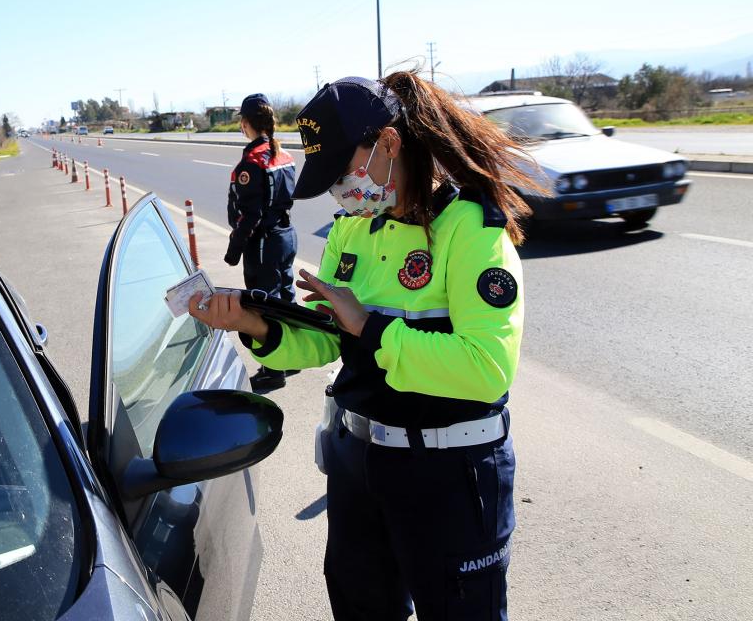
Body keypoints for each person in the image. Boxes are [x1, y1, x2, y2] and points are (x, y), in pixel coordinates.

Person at [190, 73, 545, 620]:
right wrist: (259, 326)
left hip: (449, 472)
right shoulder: (353, 230)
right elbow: (323, 338)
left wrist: (370, 328)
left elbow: (486, 370)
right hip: (359, 466)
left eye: (341, 172)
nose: (339, 191)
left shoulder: (472, 230)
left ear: (388, 144)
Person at [225, 92, 298, 390]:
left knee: (264, 305)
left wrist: (234, 250)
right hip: (286, 237)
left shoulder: (251, 163)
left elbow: (250, 215)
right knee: (286, 297)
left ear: (245, 124)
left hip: (265, 242)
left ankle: (273, 368)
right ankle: (291, 357)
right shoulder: (284, 154)